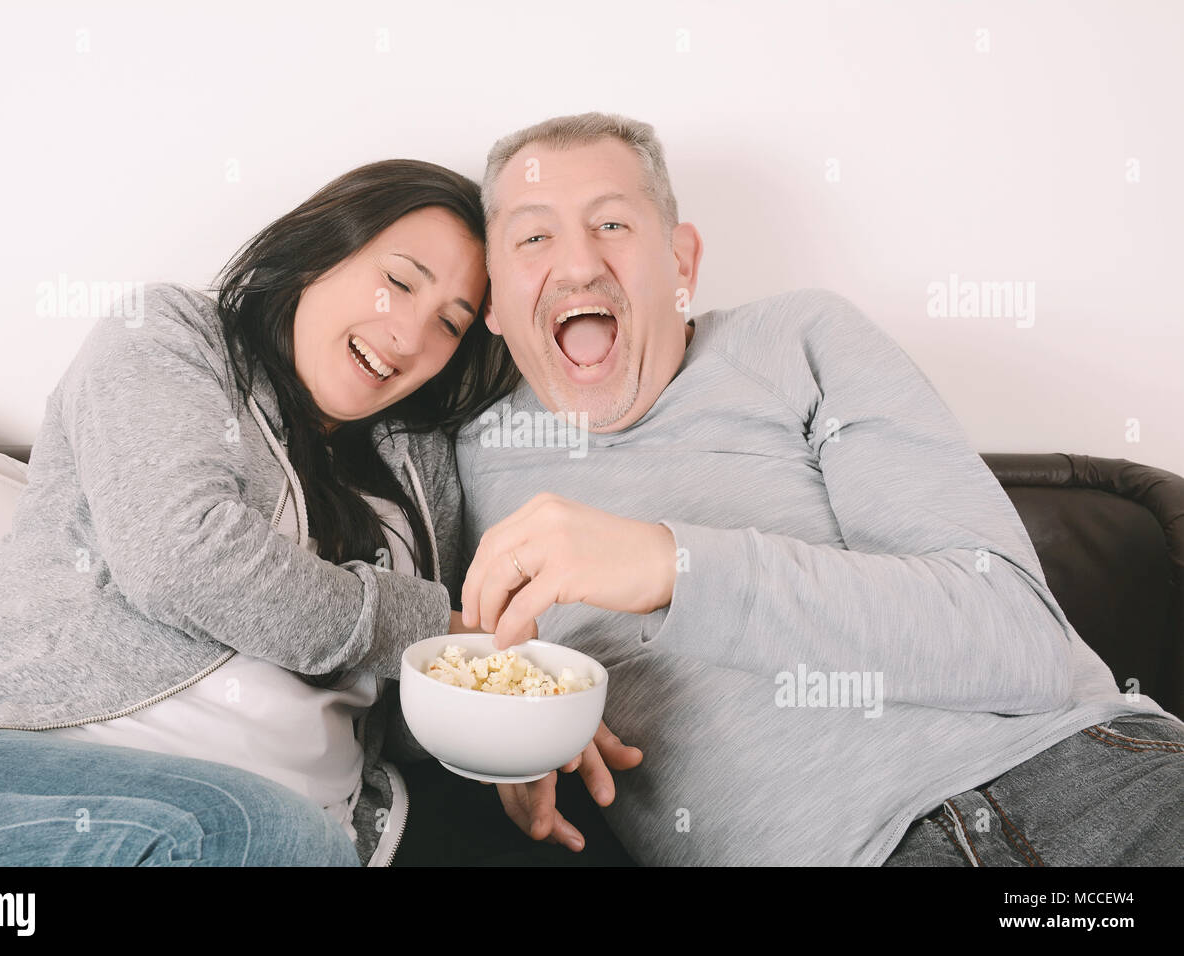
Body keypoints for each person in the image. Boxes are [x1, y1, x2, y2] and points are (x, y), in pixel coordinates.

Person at [446, 111, 1184, 865]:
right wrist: (497, 713)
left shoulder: (798, 340)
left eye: (611, 223)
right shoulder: (461, 455)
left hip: (1089, 777)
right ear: (493, 300)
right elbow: (377, 642)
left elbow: (1021, 643)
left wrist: (674, 567)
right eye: (533, 237)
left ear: (681, 264)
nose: (575, 265)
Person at [0, 158, 522, 866]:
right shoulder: (171, 335)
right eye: (398, 283)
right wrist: (437, 627)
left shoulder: (418, 462)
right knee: (256, 833)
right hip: (10, 772)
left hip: (301, 834)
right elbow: (178, 558)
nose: (408, 334)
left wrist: (524, 722)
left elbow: (407, 705)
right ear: (322, 250)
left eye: (450, 324)